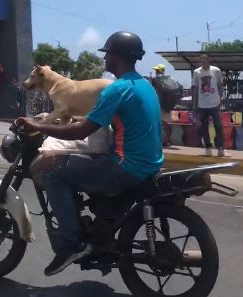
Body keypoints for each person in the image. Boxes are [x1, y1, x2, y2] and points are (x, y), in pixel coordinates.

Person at [14, 31, 164, 276]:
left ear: (117, 57)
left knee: (52, 170)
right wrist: (80, 119)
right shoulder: (143, 86)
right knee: (84, 162)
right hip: (149, 163)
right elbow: (100, 121)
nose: (105, 60)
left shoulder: (117, 89)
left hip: (125, 167)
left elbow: (81, 131)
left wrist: (38, 125)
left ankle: (70, 244)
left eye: (107, 54)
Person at [192, 54, 230, 157]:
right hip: (202, 104)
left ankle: (220, 149)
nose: (203, 60)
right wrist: (194, 104)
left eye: (205, 58)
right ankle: (208, 149)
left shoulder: (216, 71)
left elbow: (220, 85)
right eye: (201, 58)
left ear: (209, 60)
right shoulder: (196, 72)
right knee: (204, 127)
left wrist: (221, 98)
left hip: (214, 103)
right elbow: (195, 88)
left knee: (219, 126)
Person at [150, 64, 180, 147]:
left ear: (159, 71)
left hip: (158, 104)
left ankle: (158, 140)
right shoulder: (169, 79)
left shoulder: (156, 79)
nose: (155, 71)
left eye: (156, 70)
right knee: (166, 123)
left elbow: (153, 90)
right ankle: (168, 140)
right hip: (167, 104)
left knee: (157, 123)